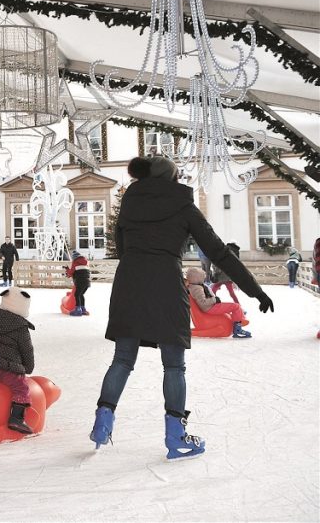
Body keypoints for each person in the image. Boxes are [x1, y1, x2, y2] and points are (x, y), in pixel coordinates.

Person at [90, 156, 274, 460]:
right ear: (172, 177)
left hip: (129, 282)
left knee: (122, 359)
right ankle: (176, 436)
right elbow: (219, 253)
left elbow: (121, 249)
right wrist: (254, 289)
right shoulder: (183, 205)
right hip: (164, 281)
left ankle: (102, 423)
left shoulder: (129, 204)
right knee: (173, 365)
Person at [0, 286, 36, 434]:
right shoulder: (20, 327)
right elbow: (27, 350)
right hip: (6, 367)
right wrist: (28, 368)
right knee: (21, 388)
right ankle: (17, 419)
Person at [186, 267, 251, 338]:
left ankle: (238, 322)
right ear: (197, 278)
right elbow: (203, 302)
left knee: (231, 308)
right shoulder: (197, 289)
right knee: (236, 306)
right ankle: (239, 325)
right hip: (210, 308)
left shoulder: (196, 286)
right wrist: (215, 300)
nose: (204, 279)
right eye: (202, 277)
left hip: (210, 307)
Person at [65, 250, 91, 316]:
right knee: (81, 294)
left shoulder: (75, 261)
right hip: (87, 282)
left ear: (74, 257)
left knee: (77, 295)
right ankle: (83, 309)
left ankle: (78, 310)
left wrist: (67, 270)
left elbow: (71, 272)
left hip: (80, 281)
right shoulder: (86, 262)